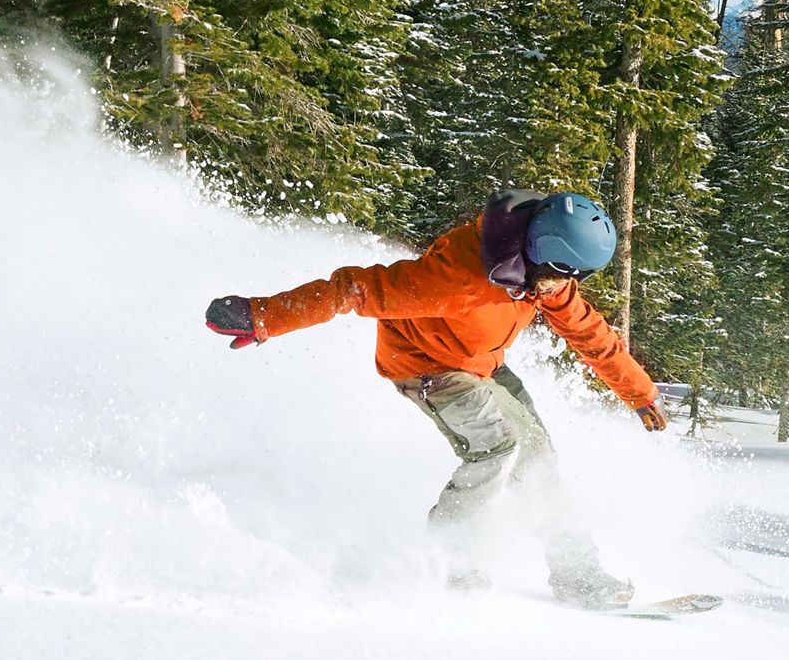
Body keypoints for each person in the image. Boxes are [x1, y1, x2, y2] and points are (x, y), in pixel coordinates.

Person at [203, 190, 666, 610]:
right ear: (544, 252)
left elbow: (588, 330)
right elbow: (353, 288)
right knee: (497, 446)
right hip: (428, 366)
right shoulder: (457, 280)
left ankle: (577, 575)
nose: (565, 287)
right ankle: (449, 561)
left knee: (539, 456)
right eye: (565, 275)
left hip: (480, 361)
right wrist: (263, 316)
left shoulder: (541, 276)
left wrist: (639, 393)